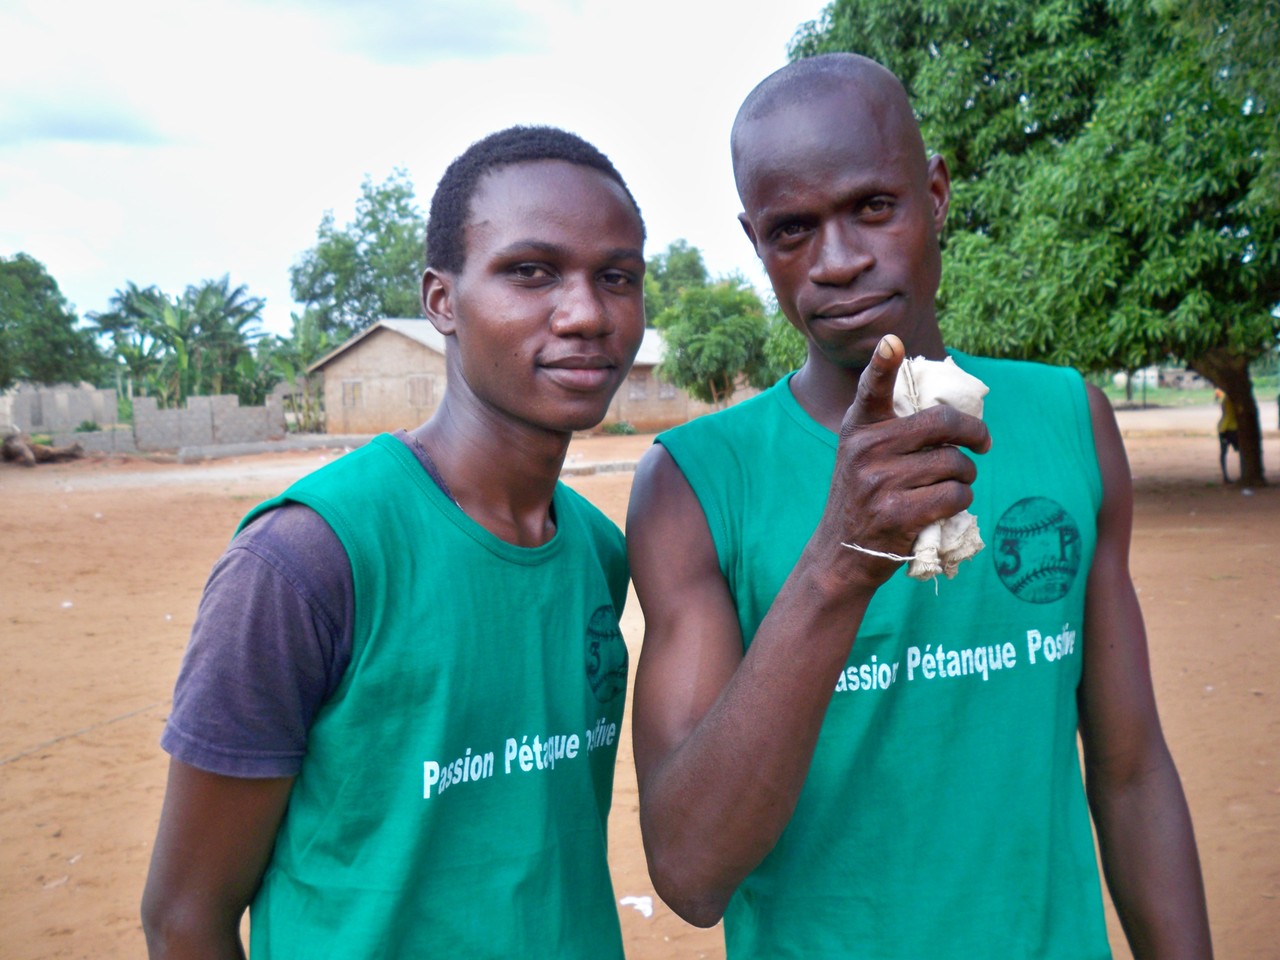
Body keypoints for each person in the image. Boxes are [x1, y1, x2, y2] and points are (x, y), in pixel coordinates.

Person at [627, 54, 1213, 958]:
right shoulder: (695, 482)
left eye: (871, 207)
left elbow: (1132, 776)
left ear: (934, 194)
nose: (838, 261)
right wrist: (840, 557)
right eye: (791, 230)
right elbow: (692, 873)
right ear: (756, 242)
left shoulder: (1069, 418)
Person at [141, 125, 647, 958]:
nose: (586, 313)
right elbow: (184, 917)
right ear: (441, 301)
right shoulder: (306, 559)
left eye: (616, 277)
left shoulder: (597, 550)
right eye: (531, 271)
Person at [1216, 387, 1239, 483]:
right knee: (1241, 451)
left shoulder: (1226, 399)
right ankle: (1227, 476)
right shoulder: (1232, 400)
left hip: (1224, 428)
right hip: (1231, 429)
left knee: (1223, 453)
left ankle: (1225, 476)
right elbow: (1230, 415)